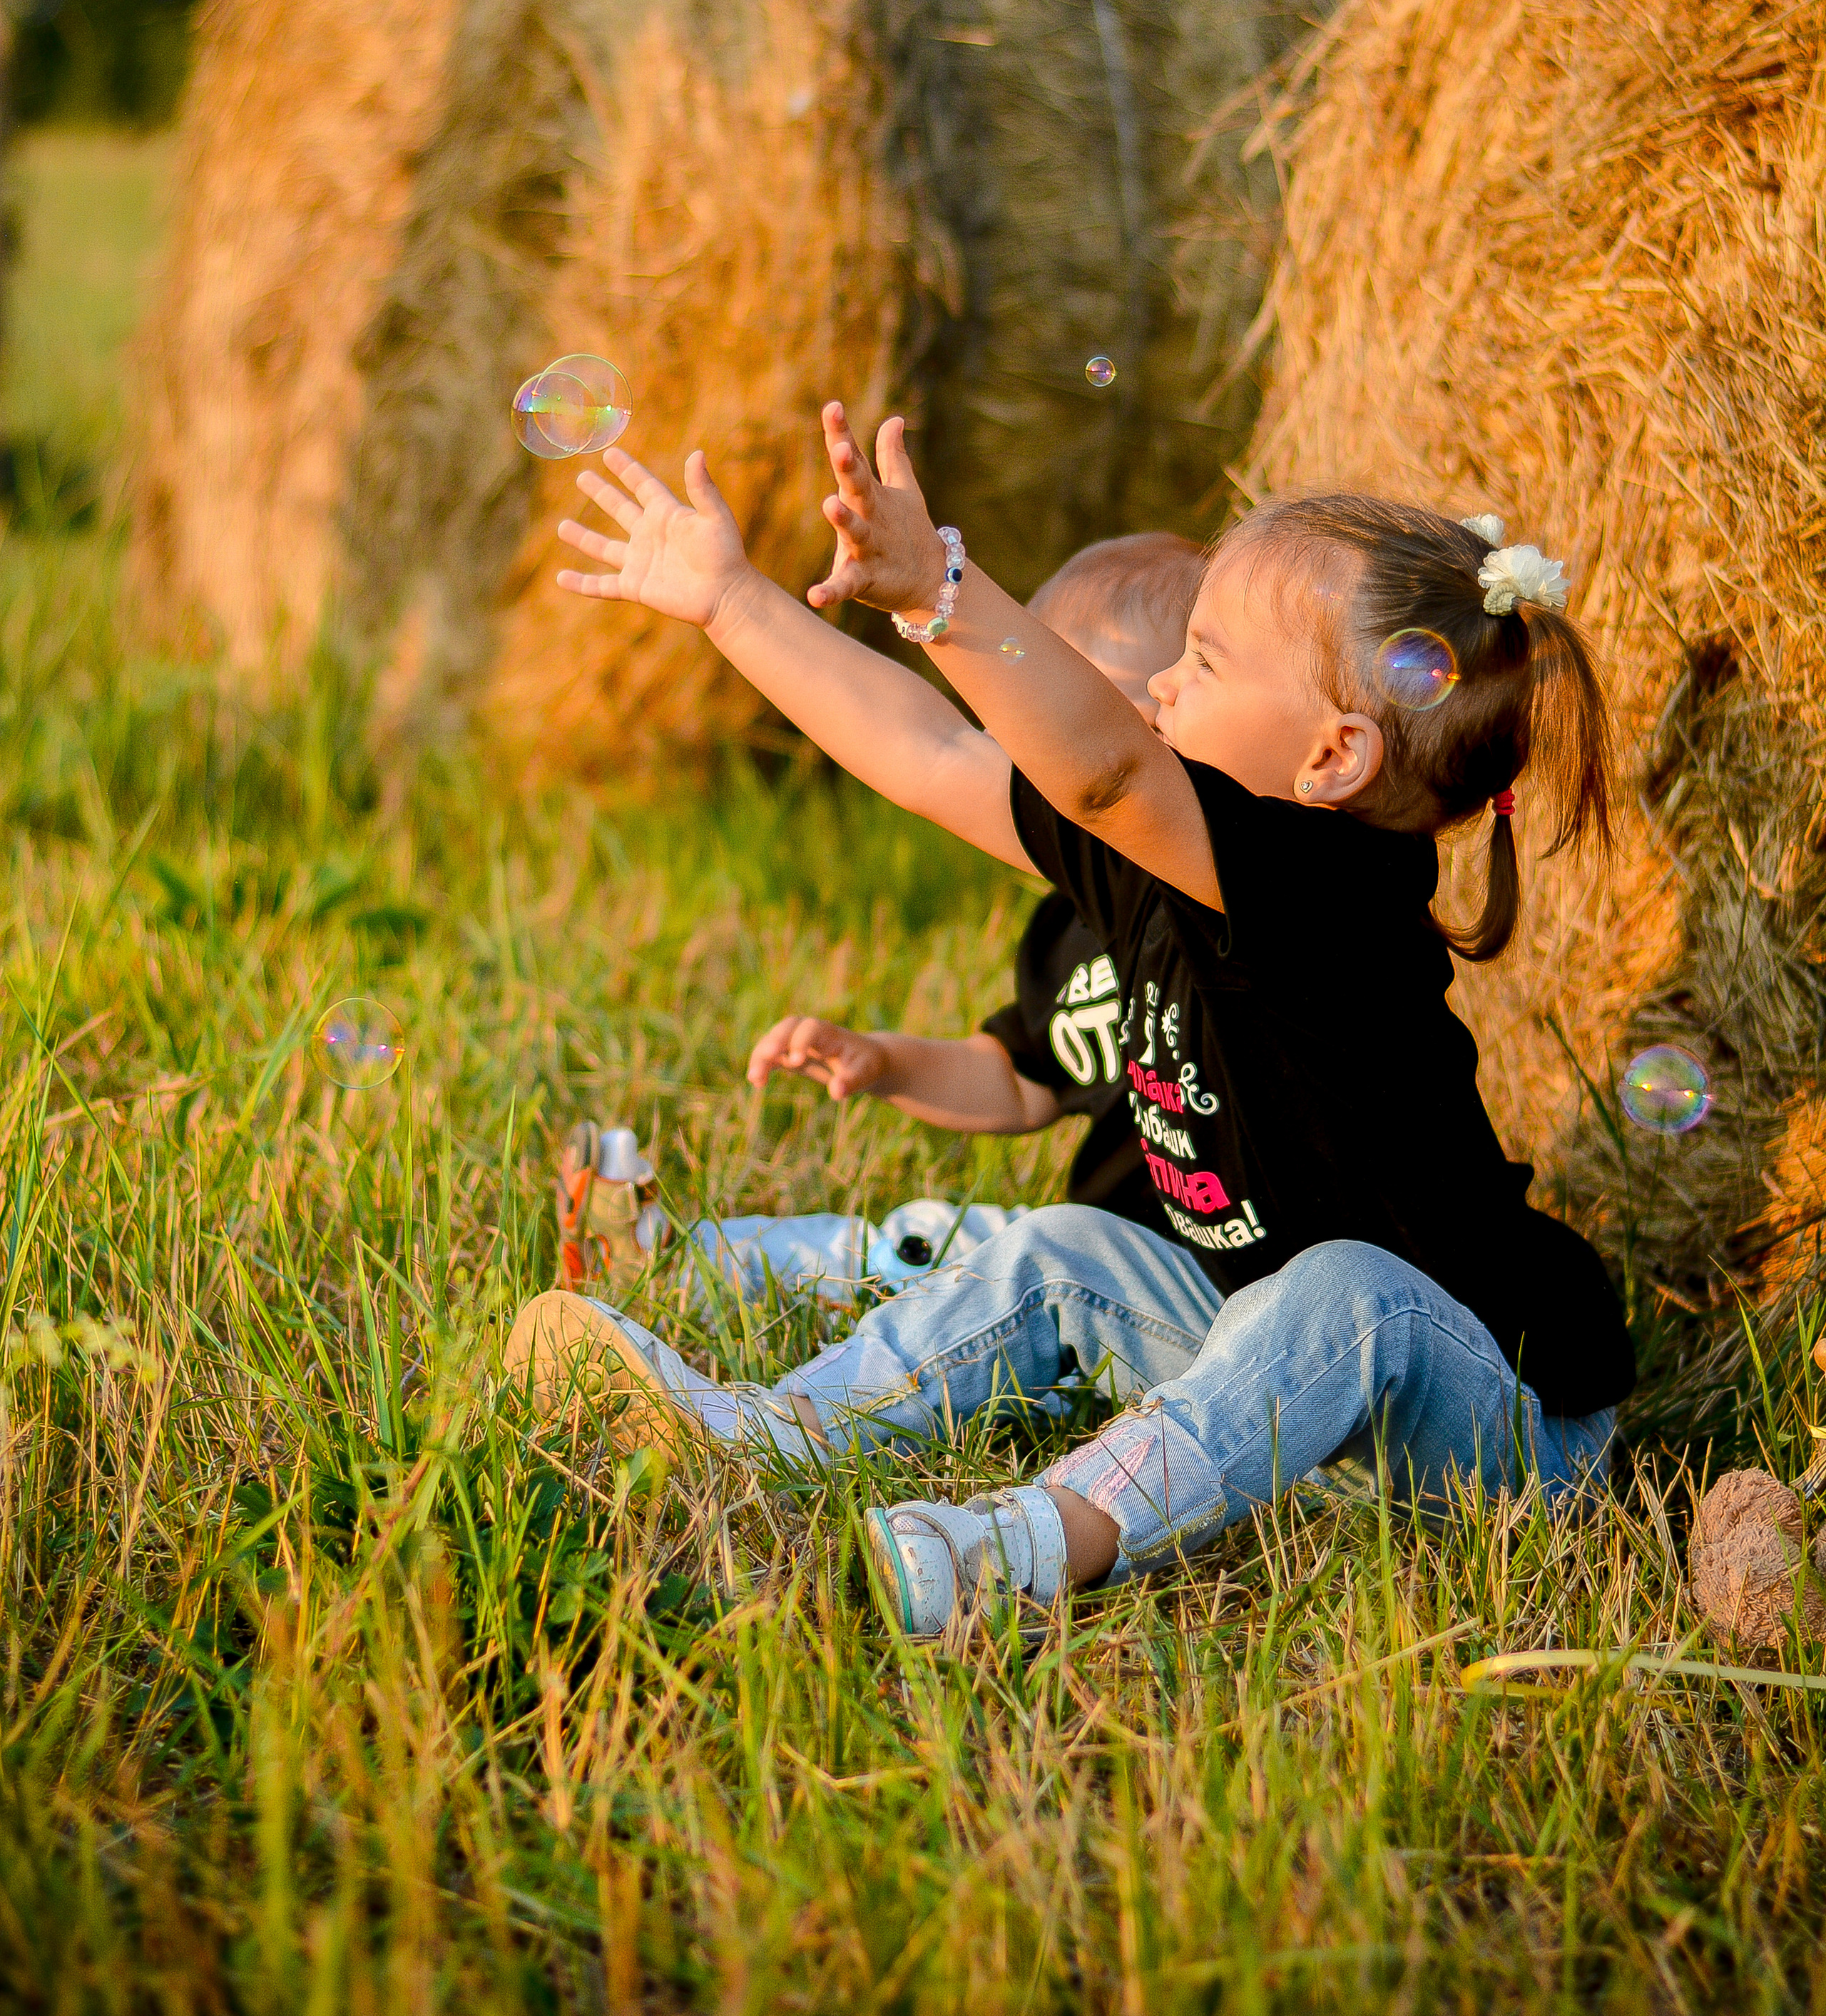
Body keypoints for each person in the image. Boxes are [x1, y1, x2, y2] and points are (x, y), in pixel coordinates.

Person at [509, 406, 1634, 1643]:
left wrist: (944, 589)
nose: (1160, 683)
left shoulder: (1338, 894)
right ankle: (768, 1432)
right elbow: (937, 752)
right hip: (1277, 1380)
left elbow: (1104, 772)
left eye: (1203, 663)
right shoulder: (1155, 881)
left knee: (1349, 1290)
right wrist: (732, 602)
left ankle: (1027, 1546)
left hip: (1495, 1428)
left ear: (1334, 759)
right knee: (1061, 1248)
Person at [553, 533, 1198, 1294]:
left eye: (1072, 719)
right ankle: (678, 1263)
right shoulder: (1069, 929)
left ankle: (773, 1402)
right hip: (1094, 1256)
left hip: (1196, 1293)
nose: (1031, 754)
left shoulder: (1234, 914)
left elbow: (937, 751)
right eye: (1019, 724)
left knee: (1020, 1262)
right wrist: (885, 1061)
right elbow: (1019, 1082)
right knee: (921, 1241)